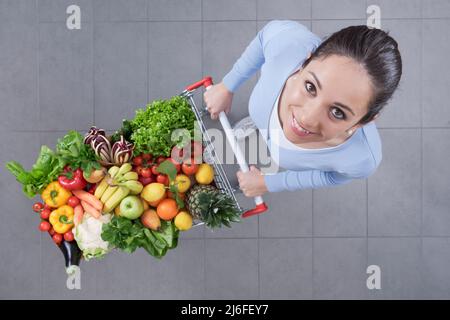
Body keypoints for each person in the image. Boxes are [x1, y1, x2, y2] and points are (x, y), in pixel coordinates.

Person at [203, 20, 402, 197]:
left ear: (363, 122)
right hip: (261, 112)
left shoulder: (362, 158)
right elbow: (266, 35)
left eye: (337, 112)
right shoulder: (290, 44)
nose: (306, 118)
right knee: (260, 116)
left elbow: (334, 177)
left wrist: (268, 183)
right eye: (310, 87)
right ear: (305, 63)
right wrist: (226, 86)